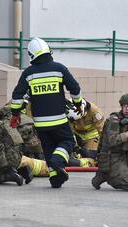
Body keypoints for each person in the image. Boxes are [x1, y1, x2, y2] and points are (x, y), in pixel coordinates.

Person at [10, 37, 83, 188]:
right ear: (48, 51)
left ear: (32, 55)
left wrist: (15, 114)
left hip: (40, 123)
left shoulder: (28, 73)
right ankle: (57, 162)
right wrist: (77, 104)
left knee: (49, 148)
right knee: (67, 142)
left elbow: (17, 95)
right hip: (59, 121)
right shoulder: (59, 69)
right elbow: (74, 88)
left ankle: (55, 178)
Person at [91, 93, 128, 191]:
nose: (127, 109)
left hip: (125, 156)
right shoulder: (114, 120)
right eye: (125, 106)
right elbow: (112, 140)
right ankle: (109, 177)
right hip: (111, 158)